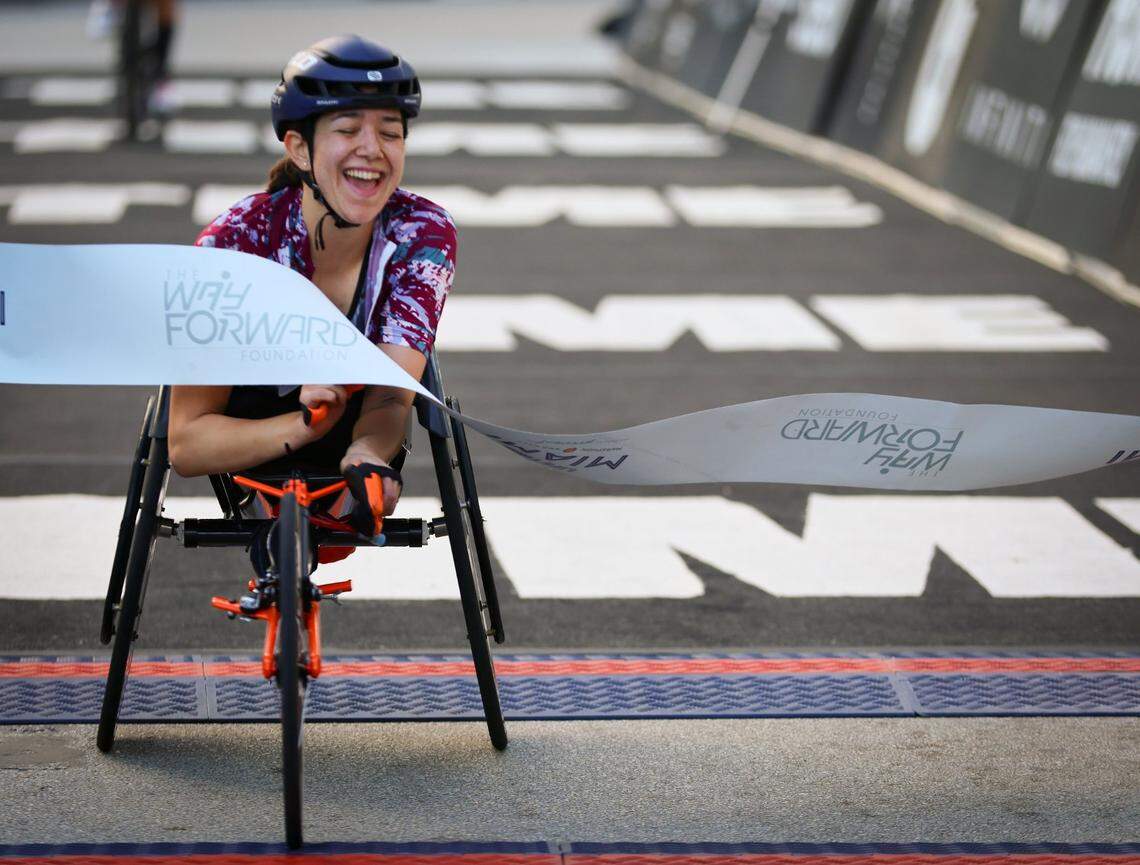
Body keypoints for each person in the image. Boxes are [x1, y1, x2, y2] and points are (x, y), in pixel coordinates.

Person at [169, 34, 454, 549]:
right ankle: (281, 506)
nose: (373, 149)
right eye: (348, 130)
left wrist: (366, 451)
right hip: (249, 436)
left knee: (344, 499)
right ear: (299, 148)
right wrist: (304, 425)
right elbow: (187, 446)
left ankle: (336, 500)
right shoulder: (233, 241)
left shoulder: (424, 233)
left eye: (391, 133)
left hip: (355, 432)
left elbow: (392, 394)